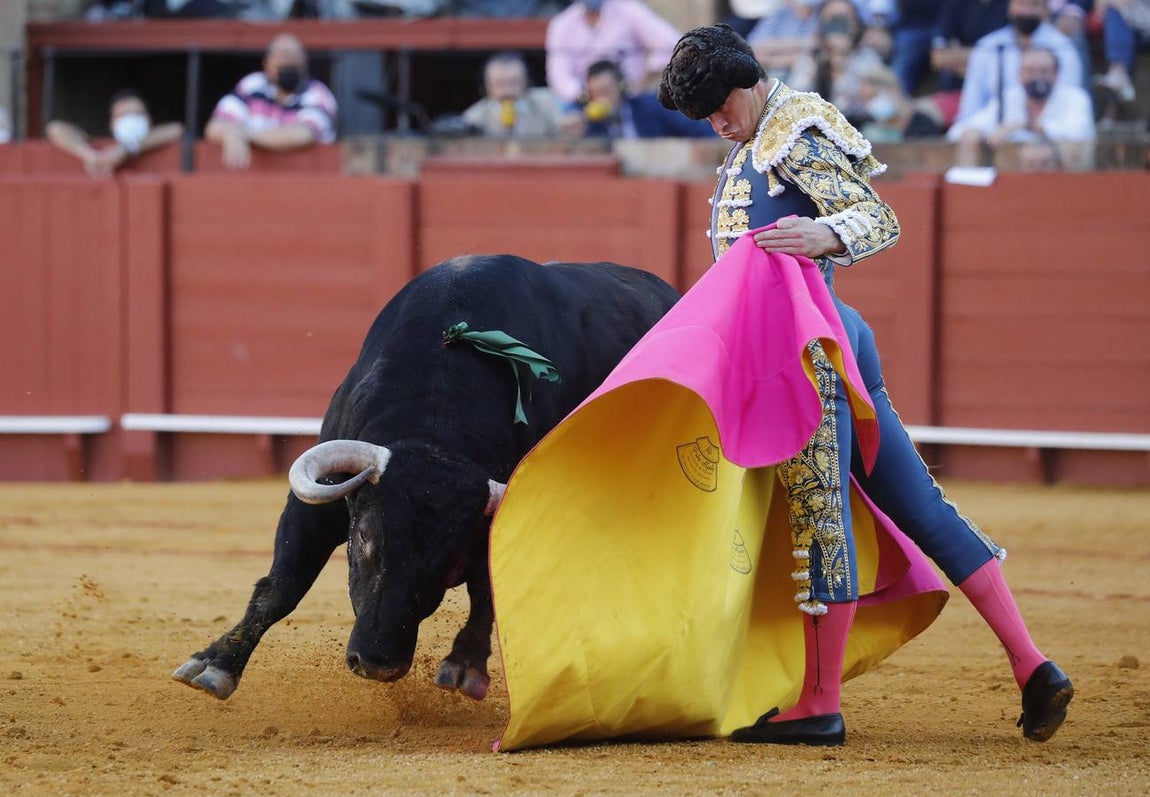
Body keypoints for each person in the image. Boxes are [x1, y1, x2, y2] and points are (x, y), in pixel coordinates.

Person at [656, 23, 1072, 746]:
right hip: (828, 336)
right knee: (920, 504)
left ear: (752, 81)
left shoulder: (794, 130)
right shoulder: (755, 137)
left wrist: (827, 235)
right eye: (707, 117)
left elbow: (877, 215)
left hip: (810, 352)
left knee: (824, 513)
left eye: (722, 106)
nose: (719, 124)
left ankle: (819, 702)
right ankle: (1033, 663)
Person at [947, 45, 1095, 170]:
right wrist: (976, 132)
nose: (1037, 77)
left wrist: (1023, 126)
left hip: (1066, 178)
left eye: (1044, 71)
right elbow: (957, 132)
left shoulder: (1074, 98)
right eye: (1030, 71)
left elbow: (1077, 133)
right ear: (1019, 75)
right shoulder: (1010, 98)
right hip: (1013, 180)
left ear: (1057, 75)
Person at [205, 33, 338, 170]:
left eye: (296, 56)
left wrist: (243, 135)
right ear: (267, 63)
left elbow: (302, 135)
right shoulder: (252, 85)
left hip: (303, 180)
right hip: (250, 182)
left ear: (305, 62)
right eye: (284, 56)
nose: (290, 62)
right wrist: (231, 134)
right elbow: (215, 126)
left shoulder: (318, 93)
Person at [953, 0, 1085, 129]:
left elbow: (1069, 101)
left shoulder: (1062, 48)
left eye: (1034, 4)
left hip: (1051, 135)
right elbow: (971, 110)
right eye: (1021, 4)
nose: (1027, 12)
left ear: (1046, 9)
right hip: (996, 138)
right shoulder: (989, 47)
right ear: (1010, 7)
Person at [545, 0, 681, 105]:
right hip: (583, 106)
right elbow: (559, 77)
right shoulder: (562, 24)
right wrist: (587, 96)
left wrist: (645, 78)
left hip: (630, 98)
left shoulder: (629, 10)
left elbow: (671, 45)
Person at [559, 59, 716, 138]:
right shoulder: (588, 123)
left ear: (621, 87)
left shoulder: (650, 106)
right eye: (595, 93)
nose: (601, 99)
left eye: (606, 91)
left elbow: (700, 132)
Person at [45, 89, 183, 178]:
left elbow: (176, 130)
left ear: (149, 119)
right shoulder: (96, 144)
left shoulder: (156, 137)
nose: (131, 119)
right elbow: (55, 129)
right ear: (112, 123)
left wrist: (126, 149)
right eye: (123, 115)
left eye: (137, 114)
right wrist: (89, 155)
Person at [786, 0, 885, 122]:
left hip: (860, 128)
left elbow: (881, 107)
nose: (839, 27)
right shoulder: (811, 57)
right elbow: (796, 98)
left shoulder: (867, 57)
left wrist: (841, 63)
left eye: (844, 19)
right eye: (833, 20)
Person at [462, 51, 564, 138]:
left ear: (525, 83)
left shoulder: (546, 103)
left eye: (514, 82)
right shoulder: (475, 118)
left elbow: (563, 136)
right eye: (500, 84)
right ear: (487, 87)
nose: (507, 91)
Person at [856, 63, 944, 141]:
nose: (871, 105)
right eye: (867, 101)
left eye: (874, 97)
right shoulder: (866, 129)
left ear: (893, 90)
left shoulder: (923, 123)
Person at [745, 0, 822, 81]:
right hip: (769, 67)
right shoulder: (779, 12)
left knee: (804, 70)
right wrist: (791, 52)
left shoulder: (821, 13)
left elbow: (813, 47)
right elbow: (754, 46)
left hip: (797, 73)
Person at [1094, 0, 1150, 104]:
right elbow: (1099, 8)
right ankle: (1118, 73)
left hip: (1142, 21)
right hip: (1133, 30)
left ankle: (1119, 75)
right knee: (1114, 12)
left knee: (1117, 9)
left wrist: (1124, 7)